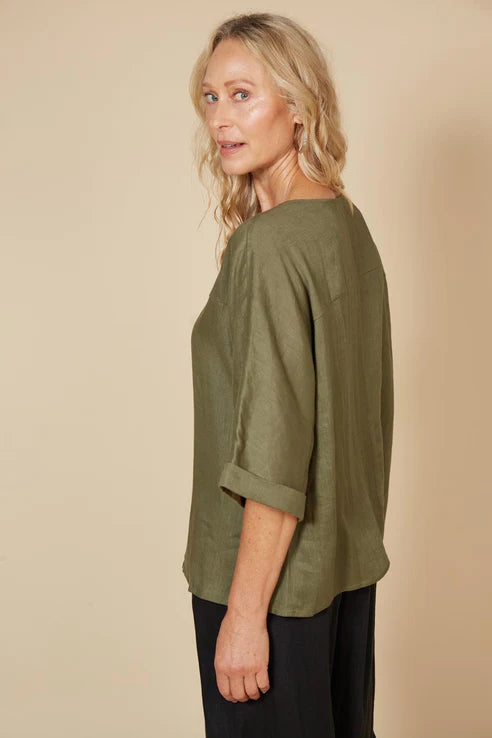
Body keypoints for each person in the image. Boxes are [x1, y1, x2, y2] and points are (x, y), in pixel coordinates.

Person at [181, 12, 394, 738]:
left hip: (270, 595)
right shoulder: (344, 224)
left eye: (243, 95)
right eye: (211, 97)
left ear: (298, 106)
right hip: (341, 581)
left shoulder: (271, 247)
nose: (220, 118)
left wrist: (245, 616)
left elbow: (275, 451)